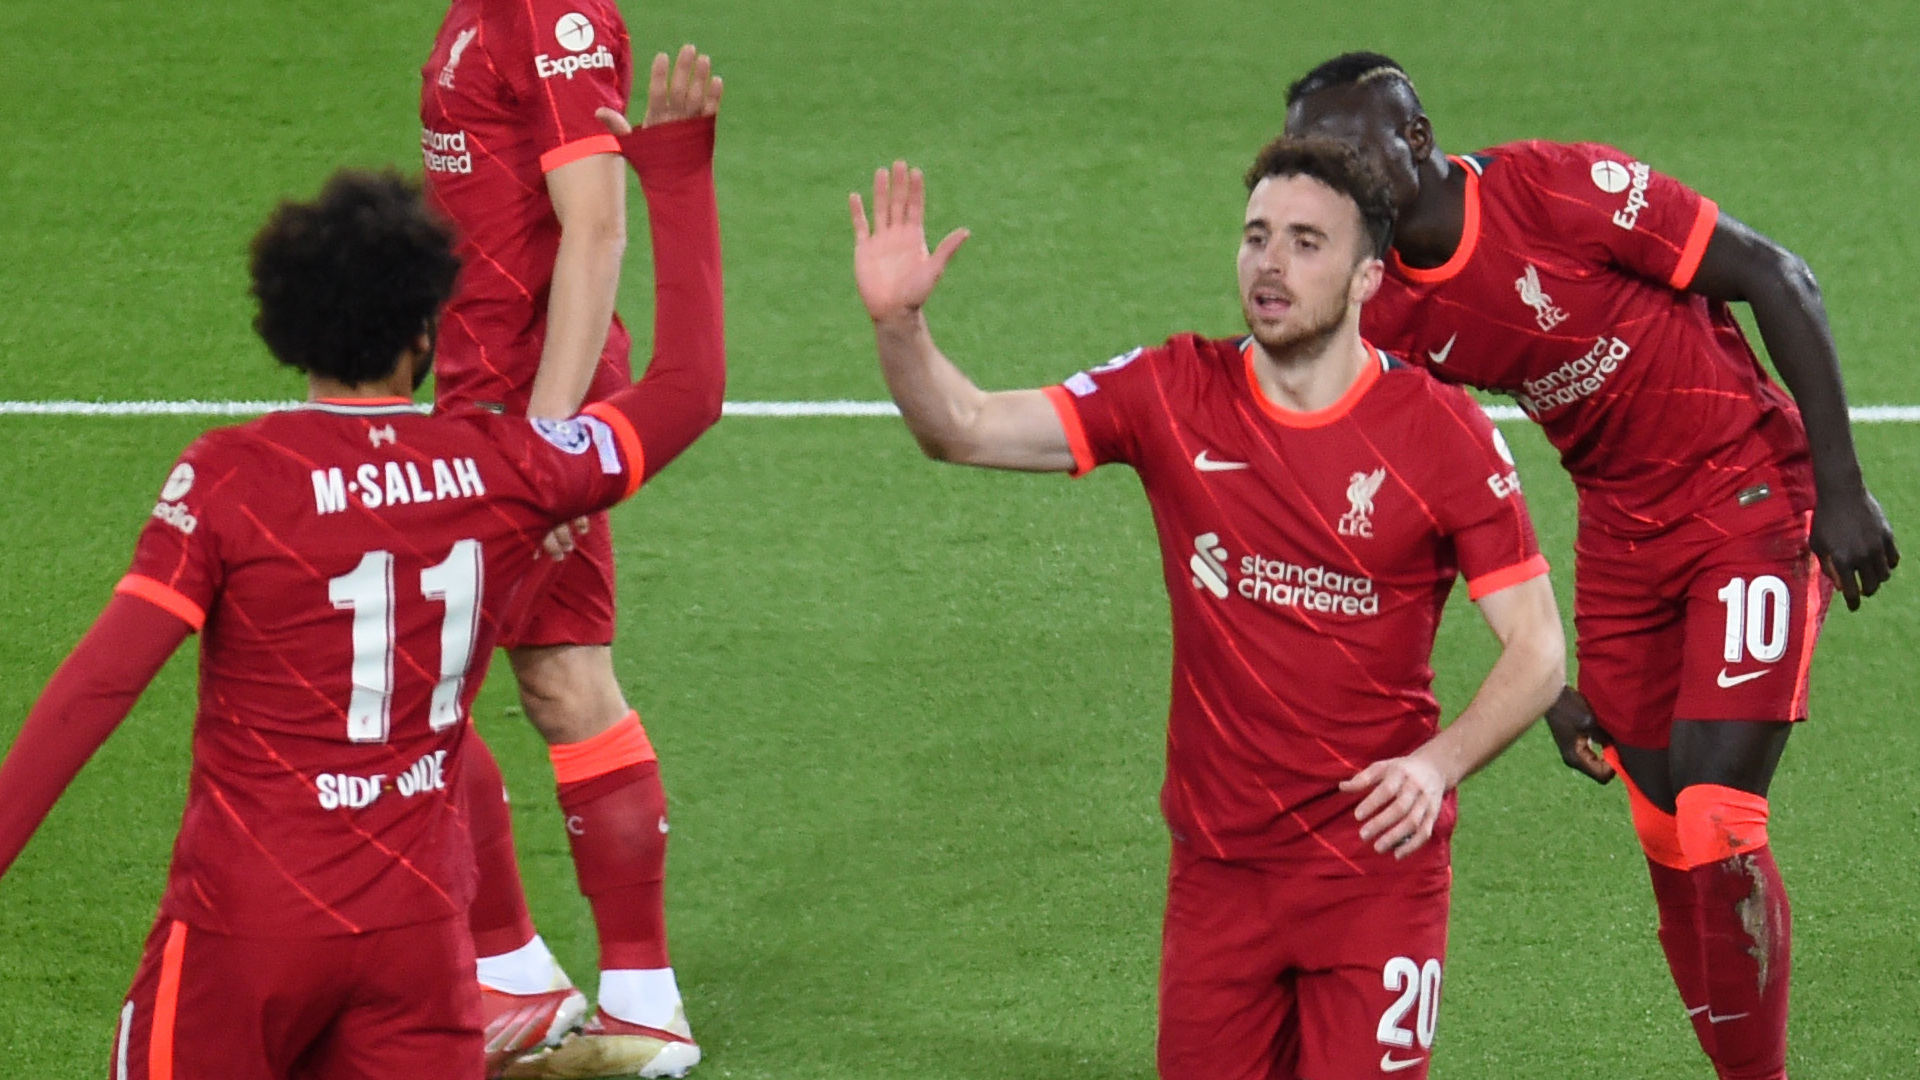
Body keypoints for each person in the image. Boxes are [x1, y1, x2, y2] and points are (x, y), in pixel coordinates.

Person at [0, 138, 719, 1080]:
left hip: (246, 929)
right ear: (426, 332)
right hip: (420, 946)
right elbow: (690, 390)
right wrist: (678, 175)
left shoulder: (233, 480)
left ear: (285, 327)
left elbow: (98, 689)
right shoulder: (503, 469)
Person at [849, 137, 1565, 1079]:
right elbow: (964, 427)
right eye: (1257, 236)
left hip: (1375, 875)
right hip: (1219, 875)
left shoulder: (1442, 434)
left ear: (1366, 279)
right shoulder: (1174, 389)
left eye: (1306, 242)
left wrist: (1437, 767)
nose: (1271, 263)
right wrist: (900, 325)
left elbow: (1538, 650)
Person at [1283, 52, 1901, 1080]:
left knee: (1717, 816)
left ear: (1416, 140)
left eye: (1348, 151)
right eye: (1313, 161)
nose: (1331, 178)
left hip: (1748, 491)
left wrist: (1840, 486)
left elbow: (1777, 275)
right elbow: (1440, 497)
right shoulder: (1380, 309)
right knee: (1667, 834)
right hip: (1622, 538)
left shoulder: (1557, 189)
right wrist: (1540, 674)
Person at [421, 0, 723, 1070]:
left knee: (455, 680)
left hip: (527, 402)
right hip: (480, 397)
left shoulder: (554, 18)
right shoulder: (478, 14)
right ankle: (546, 981)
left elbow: (597, 228)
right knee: (527, 676)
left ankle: (587, 988)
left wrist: (548, 442)